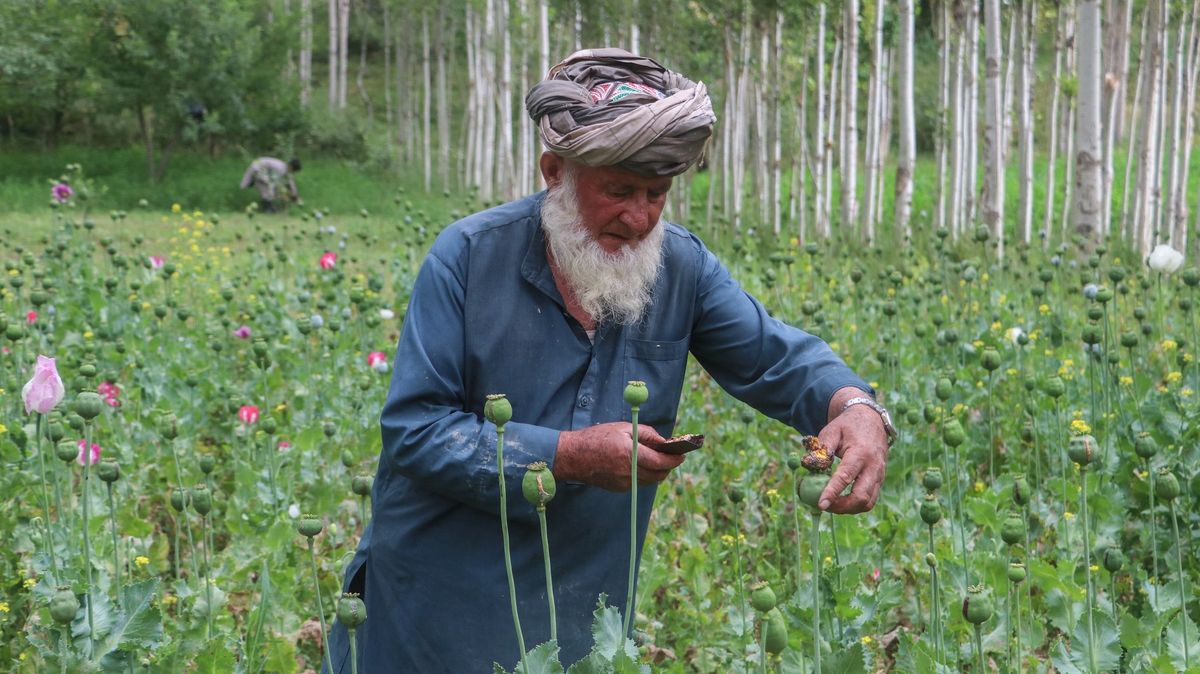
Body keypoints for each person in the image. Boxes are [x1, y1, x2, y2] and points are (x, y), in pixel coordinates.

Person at [324, 48, 893, 673]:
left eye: (657, 193)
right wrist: (565, 456)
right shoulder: (466, 258)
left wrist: (855, 406)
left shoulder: (681, 268)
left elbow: (776, 355)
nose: (640, 216)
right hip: (438, 601)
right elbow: (414, 431)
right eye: (619, 190)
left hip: (585, 608)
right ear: (554, 171)